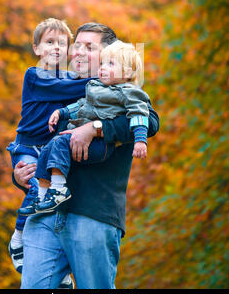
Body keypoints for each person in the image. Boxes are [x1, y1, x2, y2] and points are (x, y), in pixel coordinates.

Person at [14, 23, 159, 289]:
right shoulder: (61, 87)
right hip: (45, 216)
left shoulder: (121, 90)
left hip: (92, 215)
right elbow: (28, 134)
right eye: (77, 45)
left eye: (89, 47)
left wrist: (96, 128)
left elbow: (150, 122)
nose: (78, 52)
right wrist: (21, 171)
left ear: (108, 56)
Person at [18, 40, 150, 216]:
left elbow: (141, 114)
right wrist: (62, 112)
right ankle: (41, 197)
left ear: (126, 72)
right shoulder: (96, 87)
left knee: (59, 143)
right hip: (74, 142)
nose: (102, 68)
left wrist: (140, 140)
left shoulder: (129, 91)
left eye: (110, 64)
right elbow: (81, 104)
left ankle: (58, 189)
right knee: (48, 148)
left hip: (99, 145)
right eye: (102, 63)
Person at [6, 18, 90, 284]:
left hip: (49, 149)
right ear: (36, 48)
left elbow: (78, 94)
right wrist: (100, 81)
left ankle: (58, 272)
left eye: (62, 44)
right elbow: (66, 89)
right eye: (49, 42)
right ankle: (18, 237)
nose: (56, 48)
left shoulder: (69, 77)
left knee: (50, 196)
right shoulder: (34, 76)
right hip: (28, 146)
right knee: (35, 189)